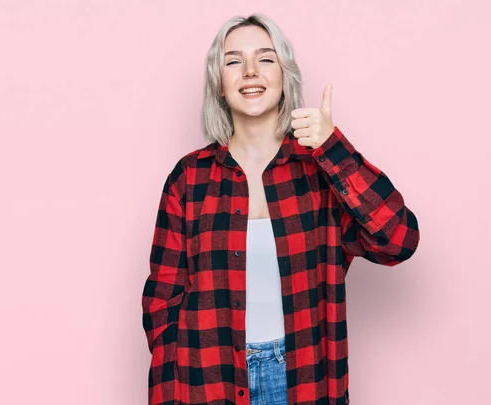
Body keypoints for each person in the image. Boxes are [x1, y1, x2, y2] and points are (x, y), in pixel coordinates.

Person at [141, 13, 420, 405]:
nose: (250, 71)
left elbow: (399, 240)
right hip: (208, 379)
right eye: (234, 60)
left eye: (266, 58)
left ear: (284, 75)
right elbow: (163, 302)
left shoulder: (321, 171)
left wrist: (332, 147)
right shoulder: (189, 179)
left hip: (302, 378)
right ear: (219, 84)